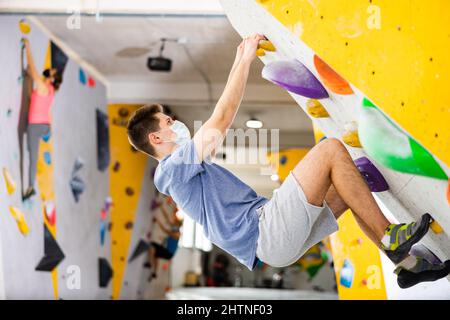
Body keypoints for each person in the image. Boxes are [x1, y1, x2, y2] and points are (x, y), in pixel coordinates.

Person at [127, 34, 450, 288]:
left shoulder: (186, 170)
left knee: (355, 178)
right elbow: (221, 118)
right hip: (264, 231)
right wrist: (243, 58)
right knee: (331, 150)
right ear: (156, 139)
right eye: (168, 122)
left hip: (270, 240)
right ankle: (389, 235)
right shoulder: (171, 170)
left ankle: (408, 267)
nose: (174, 123)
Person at [22, 38, 62, 201]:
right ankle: (47, 134)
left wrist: (28, 48)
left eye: (51, 72)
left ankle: (31, 187)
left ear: (52, 79)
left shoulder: (45, 87)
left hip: (36, 125)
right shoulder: (50, 90)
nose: (49, 71)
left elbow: (32, 69)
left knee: (33, 156)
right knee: (32, 152)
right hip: (44, 126)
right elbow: (33, 74)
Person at [146, 198, 182, 281]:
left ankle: (149, 264)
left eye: (175, 221)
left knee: (152, 248)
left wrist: (157, 221)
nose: (173, 221)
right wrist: (161, 207)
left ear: (178, 224)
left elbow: (165, 230)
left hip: (169, 253)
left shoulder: (176, 234)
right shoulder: (174, 228)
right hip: (167, 251)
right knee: (156, 254)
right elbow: (167, 218)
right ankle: (154, 272)